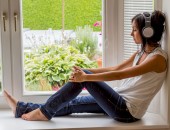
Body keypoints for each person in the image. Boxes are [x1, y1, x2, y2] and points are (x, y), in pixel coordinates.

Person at [4, 10, 167, 123]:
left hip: (126, 111)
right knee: (72, 104)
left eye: (134, 30)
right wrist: (84, 72)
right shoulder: (141, 52)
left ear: (147, 32)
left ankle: (44, 113)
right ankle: (21, 108)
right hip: (118, 101)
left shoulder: (157, 59)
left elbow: (121, 75)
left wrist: (86, 77)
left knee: (82, 84)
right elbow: (115, 69)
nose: (131, 34)